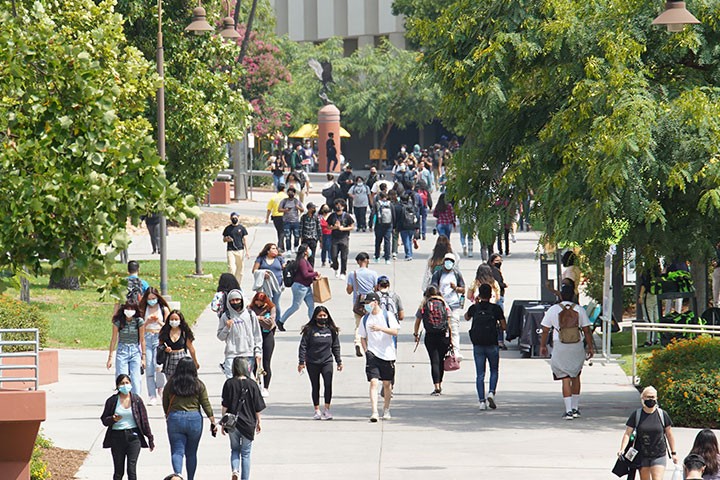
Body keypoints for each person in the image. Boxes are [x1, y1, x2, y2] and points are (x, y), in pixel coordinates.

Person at [539, 284, 594, 419]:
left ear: (561, 295)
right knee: (576, 376)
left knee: (565, 378)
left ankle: (568, 410)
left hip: (560, 345)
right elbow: (587, 330)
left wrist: (543, 346)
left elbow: (545, 330)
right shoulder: (580, 310)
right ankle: (575, 408)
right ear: (574, 296)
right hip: (576, 346)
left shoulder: (553, 310)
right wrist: (590, 347)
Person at [162, 357, 217, 480]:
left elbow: (165, 400)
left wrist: (168, 414)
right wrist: (212, 420)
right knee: (191, 453)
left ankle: (178, 475)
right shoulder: (198, 384)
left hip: (175, 418)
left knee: (177, 451)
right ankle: (190, 478)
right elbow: (205, 403)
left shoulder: (171, 383)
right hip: (194, 419)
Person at [618, 386, 678, 479]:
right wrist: (622, 449)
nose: (651, 399)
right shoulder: (637, 415)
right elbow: (627, 433)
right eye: (648, 397)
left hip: (659, 454)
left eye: (653, 397)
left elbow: (669, 434)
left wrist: (673, 453)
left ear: (656, 398)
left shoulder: (662, 415)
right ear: (642, 398)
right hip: (642, 454)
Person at [101, 374, 154, 480]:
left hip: (134, 437)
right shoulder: (112, 401)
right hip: (117, 436)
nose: (125, 385)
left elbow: (144, 420)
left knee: (131, 469)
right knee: (118, 471)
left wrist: (150, 438)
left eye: (127, 383)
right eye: (122, 383)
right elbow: (104, 420)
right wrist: (113, 419)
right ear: (117, 386)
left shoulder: (136, 400)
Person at [220, 357, 266, 480]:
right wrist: (259, 422)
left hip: (232, 423)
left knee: (234, 449)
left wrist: (223, 423)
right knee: (246, 453)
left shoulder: (229, 383)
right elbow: (257, 407)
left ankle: (235, 470)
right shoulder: (252, 384)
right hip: (248, 423)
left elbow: (225, 405)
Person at [357, 292, 400, 422]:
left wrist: (381, 328)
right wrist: (366, 351)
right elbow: (362, 336)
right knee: (373, 382)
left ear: (375, 302)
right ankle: (374, 411)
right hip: (373, 354)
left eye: (368, 303)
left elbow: (395, 331)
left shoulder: (387, 315)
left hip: (387, 354)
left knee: (387, 384)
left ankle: (386, 409)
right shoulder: (365, 319)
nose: (366, 306)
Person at [466, 284, 506, 410]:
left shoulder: (474, 308)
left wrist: (475, 303)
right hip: (492, 343)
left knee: (480, 374)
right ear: (490, 295)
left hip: (478, 344)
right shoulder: (496, 309)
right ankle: (491, 392)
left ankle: (482, 402)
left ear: (479, 294)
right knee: (494, 370)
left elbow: (466, 317)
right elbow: (504, 326)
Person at [298, 306, 343, 420]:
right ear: (315, 317)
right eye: (320, 316)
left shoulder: (331, 330)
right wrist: (301, 361)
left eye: (324, 315)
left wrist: (339, 361)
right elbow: (303, 346)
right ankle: (317, 410)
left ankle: (327, 410)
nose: (322, 318)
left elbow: (335, 346)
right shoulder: (310, 330)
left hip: (327, 361)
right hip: (312, 362)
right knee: (315, 386)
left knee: (328, 384)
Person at [413, 286, 451, 396]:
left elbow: (417, 321)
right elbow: (449, 320)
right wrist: (451, 338)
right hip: (443, 335)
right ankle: (440, 383)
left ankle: (436, 386)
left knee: (434, 361)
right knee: (441, 361)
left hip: (430, 336)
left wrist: (416, 334)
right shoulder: (443, 304)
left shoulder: (424, 305)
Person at [218, 290, 263, 378]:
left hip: (247, 354)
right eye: (232, 300)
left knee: (246, 380)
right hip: (231, 354)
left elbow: (257, 335)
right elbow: (220, 337)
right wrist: (227, 328)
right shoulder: (226, 316)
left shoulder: (250, 315)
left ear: (241, 300)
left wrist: (258, 352)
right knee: (231, 379)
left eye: (237, 300)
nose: (235, 302)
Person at [430, 253, 466, 360]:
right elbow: (433, 286)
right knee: (442, 328)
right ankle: (444, 350)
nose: (448, 263)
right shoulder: (438, 273)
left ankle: (456, 351)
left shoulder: (456, 274)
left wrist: (456, 288)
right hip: (441, 305)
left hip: (454, 304)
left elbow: (463, 289)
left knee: (454, 328)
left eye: (451, 261)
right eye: (447, 260)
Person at [107, 300, 146, 395]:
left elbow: (142, 339)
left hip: (135, 350)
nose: (129, 311)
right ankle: (122, 397)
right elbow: (114, 339)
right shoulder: (119, 321)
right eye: (127, 308)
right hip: (122, 350)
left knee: (135, 378)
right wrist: (110, 357)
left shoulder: (139, 321)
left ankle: (136, 399)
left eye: (132, 309)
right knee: (121, 376)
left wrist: (143, 357)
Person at [277, 244, 319, 330]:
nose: (310, 250)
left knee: (311, 305)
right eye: (308, 249)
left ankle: (313, 324)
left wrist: (314, 277)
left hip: (307, 287)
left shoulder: (306, 261)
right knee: (295, 306)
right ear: (305, 252)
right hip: (300, 286)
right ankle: (281, 321)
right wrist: (315, 273)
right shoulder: (302, 261)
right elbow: (305, 274)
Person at [140, 287, 170, 405]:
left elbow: (168, 326)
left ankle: (160, 389)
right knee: (149, 367)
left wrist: (158, 321)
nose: (152, 301)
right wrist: (147, 321)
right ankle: (152, 395)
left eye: (154, 298)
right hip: (147, 338)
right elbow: (140, 326)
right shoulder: (143, 309)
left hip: (159, 338)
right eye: (149, 299)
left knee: (158, 365)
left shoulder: (163, 309)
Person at [346, 252, 379, 357]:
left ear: (358, 262)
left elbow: (349, 290)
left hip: (358, 302)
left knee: (358, 325)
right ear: (367, 260)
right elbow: (376, 288)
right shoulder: (373, 274)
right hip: (371, 302)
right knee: (370, 324)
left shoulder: (353, 274)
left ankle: (358, 343)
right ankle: (368, 346)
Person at [247, 292, 276, 397]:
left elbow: (270, 324)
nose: (258, 305)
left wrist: (257, 318)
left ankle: (265, 387)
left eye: (261, 303)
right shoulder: (250, 309)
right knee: (254, 362)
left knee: (266, 362)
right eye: (257, 302)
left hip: (267, 336)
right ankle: (255, 385)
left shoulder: (271, 308)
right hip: (254, 337)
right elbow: (248, 322)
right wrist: (262, 319)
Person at [158, 310, 199, 378]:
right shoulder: (165, 331)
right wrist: (165, 349)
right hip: (169, 360)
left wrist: (195, 362)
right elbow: (160, 345)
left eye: (176, 319)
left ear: (180, 320)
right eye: (172, 319)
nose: (174, 321)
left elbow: (191, 349)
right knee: (171, 383)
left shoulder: (184, 333)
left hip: (181, 359)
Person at [251, 243, 285, 321]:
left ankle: (277, 320)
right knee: (266, 303)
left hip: (277, 285)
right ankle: (266, 319)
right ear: (267, 251)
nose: (275, 250)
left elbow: (284, 267)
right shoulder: (261, 259)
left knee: (275, 304)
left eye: (276, 248)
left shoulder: (279, 259)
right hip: (265, 285)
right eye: (273, 248)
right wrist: (263, 273)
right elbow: (254, 270)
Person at [327, 199, 355, 279]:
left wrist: (343, 228)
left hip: (344, 238)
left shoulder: (347, 216)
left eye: (340, 205)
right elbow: (328, 226)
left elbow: (352, 226)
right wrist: (334, 227)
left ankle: (343, 272)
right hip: (334, 238)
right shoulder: (332, 216)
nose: (338, 207)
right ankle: (335, 267)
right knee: (333, 255)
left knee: (344, 256)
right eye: (337, 205)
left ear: (343, 207)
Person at [222, 212, 250, 286]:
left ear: (238, 218)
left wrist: (247, 251)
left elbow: (245, 240)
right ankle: (231, 283)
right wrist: (227, 239)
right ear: (230, 218)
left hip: (240, 250)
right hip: (230, 250)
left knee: (240, 269)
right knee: (231, 268)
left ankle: (237, 284)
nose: (234, 219)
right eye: (233, 217)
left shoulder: (242, 228)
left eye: (236, 217)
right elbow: (224, 240)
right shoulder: (227, 229)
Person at [488, 254, 509, 350]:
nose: (499, 263)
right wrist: (504, 285)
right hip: (497, 297)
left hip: (496, 297)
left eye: (500, 261)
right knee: (500, 319)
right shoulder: (494, 271)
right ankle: (500, 340)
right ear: (492, 262)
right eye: (496, 261)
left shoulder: (491, 270)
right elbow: (497, 283)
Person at [638, 262, 662, 347]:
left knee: (649, 318)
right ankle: (657, 338)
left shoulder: (647, 272)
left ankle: (649, 340)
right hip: (656, 295)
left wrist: (640, 296)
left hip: (648, 295)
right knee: (656, 318)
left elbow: (644, 284)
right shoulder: (658, 272)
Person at [279, 187, 304, 253]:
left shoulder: (296, 201)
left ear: (294, 193)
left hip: (295, 221)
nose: (291, 193)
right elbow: (279, 209)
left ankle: (296, 246)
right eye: (289, 192)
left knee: (297, 236)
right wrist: (285, 210)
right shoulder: (284, 201)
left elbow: (302, 210)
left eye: (292, 192)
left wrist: (298, 207)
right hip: (286, 221)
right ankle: (288, 249)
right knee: (287, 236)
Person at [372, 192, 395, 264]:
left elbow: (373, 214)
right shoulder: (390, 204)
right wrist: (393, 225)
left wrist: (371, 224)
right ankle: (387, 258)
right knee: (387, 241)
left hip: (379, 225)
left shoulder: (377, 204)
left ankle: (377, 257)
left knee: (378, 241)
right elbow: (393, 215)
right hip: (389, 224)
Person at [299, 202, 322, 267]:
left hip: (313, 239)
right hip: (305, 238)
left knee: (312, 256)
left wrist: (320, 239)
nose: (314, 209)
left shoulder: (316, 217)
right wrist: (301, 238)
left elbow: (319, 228)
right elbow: (301, 228)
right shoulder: (303, 217)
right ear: (309, 209)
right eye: (313, 208)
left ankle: (311, 270)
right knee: (304, 255)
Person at [398, 192, 419, 260]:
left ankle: (408, 254)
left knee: (405, 240)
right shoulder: (412, 206)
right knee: (409, 240)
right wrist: (417, 226)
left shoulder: (401, 207)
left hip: (403, 226)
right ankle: (410, 253)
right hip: (412, 225)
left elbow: (398, 217)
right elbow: (417, 216)